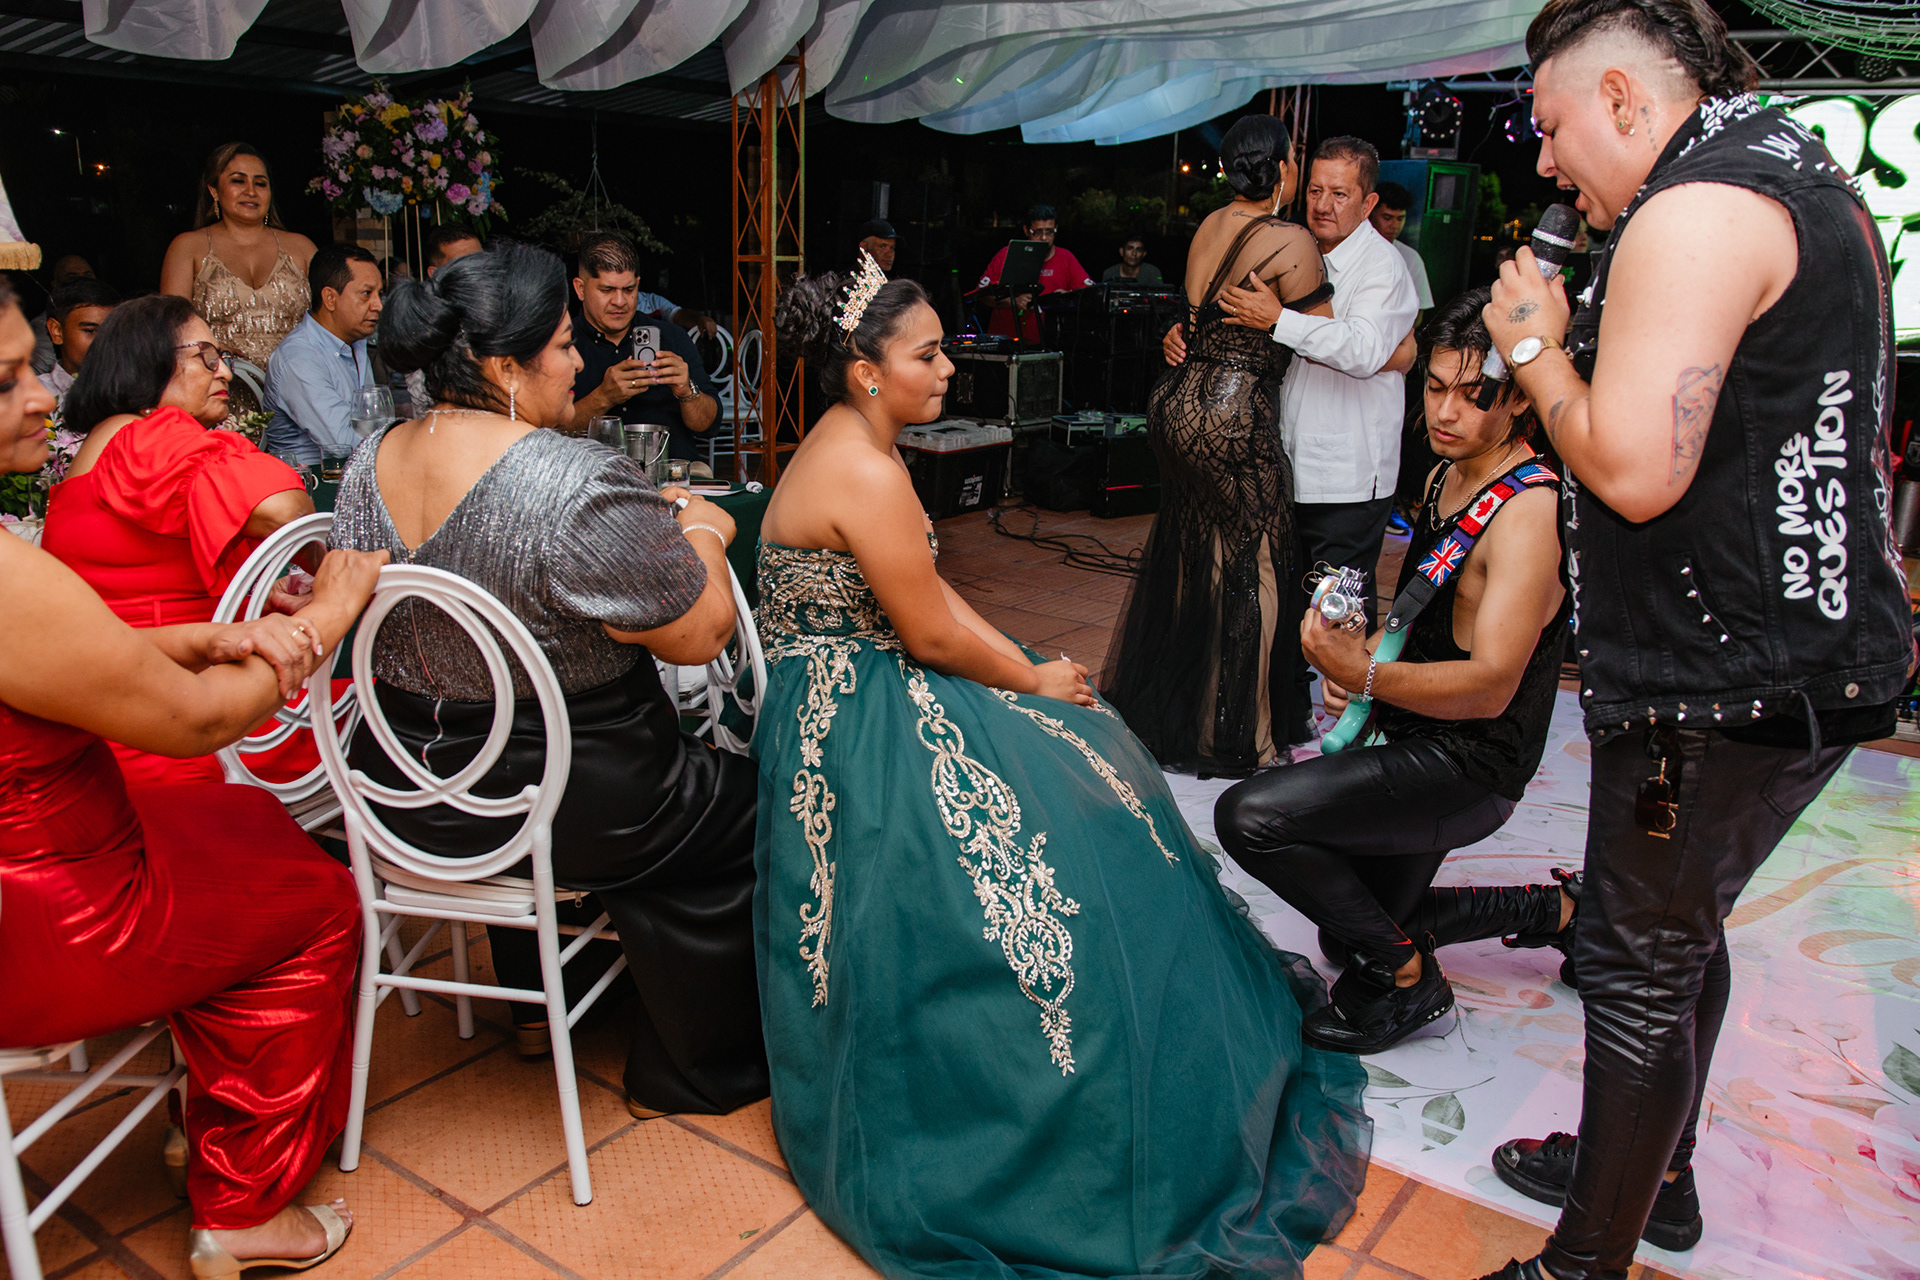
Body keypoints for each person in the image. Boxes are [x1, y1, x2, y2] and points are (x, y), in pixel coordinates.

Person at [754, 255, 1370, 1280]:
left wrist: (1025, 663)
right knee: (1050, 826)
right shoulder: (863, 468)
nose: (949, 367)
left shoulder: (859, 445)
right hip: (854, 716)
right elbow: (930, 634)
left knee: (1085, 744)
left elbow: (932, 601)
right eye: (928, 354)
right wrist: (1030, 679)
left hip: (867, 678)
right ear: (867, 373)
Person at [1471, 2, 1913, 1277]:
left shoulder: (1696, 209)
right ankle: (1649, 1175)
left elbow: (1630, 468)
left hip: (1726, 676)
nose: (1546, 160)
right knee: (1676, 935)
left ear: (1621, 97)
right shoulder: (1778, 167)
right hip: (1789, 652)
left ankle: (1582, 1262)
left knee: (1633, 965)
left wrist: (1533, 344)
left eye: (1553, 124)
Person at [0, 274, 388, 1280]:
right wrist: (327, 615)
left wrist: (204, 635)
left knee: (250, 835)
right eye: (6, 379)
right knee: (319, 892)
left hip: (76, 818)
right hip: (57, 911)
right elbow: (197, 723)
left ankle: (199, 1110)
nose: (43, 393)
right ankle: (242, 1203)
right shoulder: (147, 449)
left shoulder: (67, 482)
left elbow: (68, 650)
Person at [330, 243, 768, 1116]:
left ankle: (542, 1008)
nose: (578, 365)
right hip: (569, 805)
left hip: (412, 794)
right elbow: (699, 635)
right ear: (504, 368)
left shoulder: (366, 461)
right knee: (753, 801)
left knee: (546, 746)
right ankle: (696, 1060)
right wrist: (706, 532)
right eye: (565, 346)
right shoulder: (570, 478)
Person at [1214, 288, 1575, 1054]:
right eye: (1435, 388)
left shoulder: (1530, 513)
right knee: (1353, 932)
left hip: (1470, 764)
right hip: (1415, 733)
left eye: (1472, 395)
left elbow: (1491, 687)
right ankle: (1563, 913)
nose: (1445, 411)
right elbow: (1426, 621)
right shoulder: (1450, 473)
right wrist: (1362, 661)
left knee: (1249, 818)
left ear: (1519, 399)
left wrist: (1368, 677)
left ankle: (1408, 984)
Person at [1172, 136, 1422, 746]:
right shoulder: (1286, 245)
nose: (1323, 204)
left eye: (1340, 194)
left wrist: (1278, 320)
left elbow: (1364, 350)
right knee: (1281, 606)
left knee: (1340, 611)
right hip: (1277, 459)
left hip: (1348, 472)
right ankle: (1288, 721)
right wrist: (1186, 337)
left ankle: (1359, 729)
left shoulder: (1384, 266)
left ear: (1368, 202)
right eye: (1314, 190)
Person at [1105, 115, 1333, 777]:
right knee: (1258, 571)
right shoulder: (1291, 240)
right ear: (1282, 168)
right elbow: (1323, 339)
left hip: (1175, 404)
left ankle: (1182, 720)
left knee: (1197, 562)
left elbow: (1193, 317)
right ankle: (1244, 738)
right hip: (1232, 414)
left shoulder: (1208, 224)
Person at [41, 295, 319, 787]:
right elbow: (283, 511)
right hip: (183, 721)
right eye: (206, 357)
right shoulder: (143, 438)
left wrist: (259, 596)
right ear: (146, 362)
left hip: (123, 714)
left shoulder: (111, 440)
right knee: (389, 714)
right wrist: (328, 570)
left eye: (222, 358)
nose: (225, 373)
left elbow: (145, 584)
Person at [160, 142, 316, 408]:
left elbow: (331, 318)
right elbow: (171, 328)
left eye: (260, 183)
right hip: (220, 393)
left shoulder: (301, 247)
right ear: (214, 191)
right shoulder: (188, 247)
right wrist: (209, 347)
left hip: (299, 393)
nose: (251, 191)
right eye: (238, 181)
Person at [562, 231, 720, 461]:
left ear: (638, 284)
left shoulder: (671, 337)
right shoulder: (560, 344)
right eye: (607, 290)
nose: (619, 301)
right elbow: (547, 433)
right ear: (580, 289)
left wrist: (687, 392)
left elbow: (709, 427)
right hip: (590, 475)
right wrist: (603, 397)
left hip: (670, 473)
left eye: (628, 290)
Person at [262, 243, 383, 465]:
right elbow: (342, 443)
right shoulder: (298, 357)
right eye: (367, 294)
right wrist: (409, 438)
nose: (378, 305)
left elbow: (373, 425)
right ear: (330, 298)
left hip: (355, 472)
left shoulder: (356, 343)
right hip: (311, 479)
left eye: (379, 294)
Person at [975, 203, 1095, 341]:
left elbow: (1090, 292)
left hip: (1051, 342)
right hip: (1007, 342)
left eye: (1049, 232)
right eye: (1037, 232)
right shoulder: (1006, 256)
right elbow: (980, 294)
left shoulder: (1066, 258)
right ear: (1026, 230)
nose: (1044, 238)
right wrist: (1012, 302)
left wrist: (1067, 298)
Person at [39, 276, 121, 407]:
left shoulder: (131, 393)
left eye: (112, 332)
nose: (103, 342)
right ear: (56, 331)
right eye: (90, 331)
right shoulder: (33, 396)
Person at [1371, 183, 1435, 311]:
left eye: (1400, 219)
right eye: (1387, 218)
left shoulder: (1411, 258)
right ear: (1369, 212)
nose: (1394, 226)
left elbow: (1420, 310)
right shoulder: (1353, 248)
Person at [30, 253, 96, 375]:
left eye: (88, 275)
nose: (83, 282)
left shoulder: (112, 314)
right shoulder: (43, 326)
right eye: (72, 277)